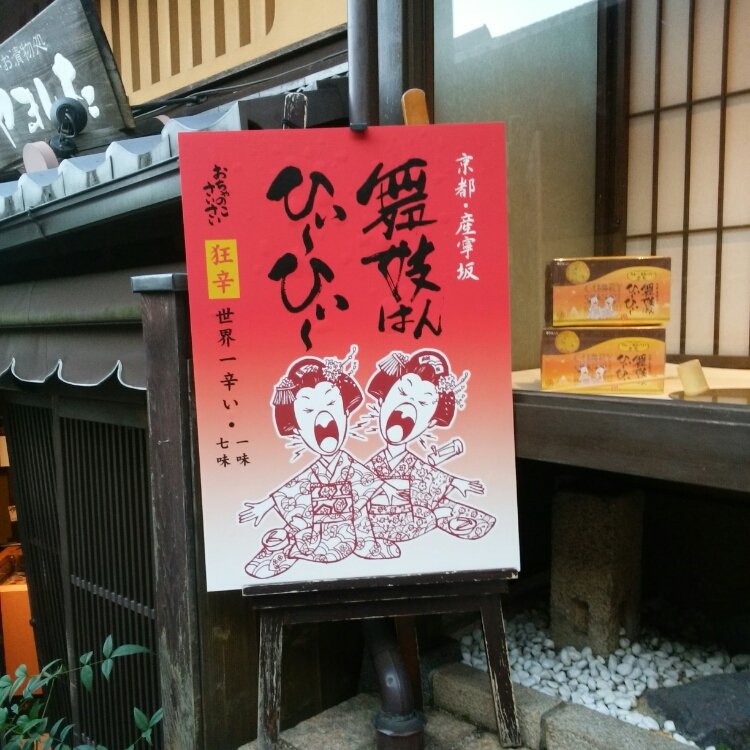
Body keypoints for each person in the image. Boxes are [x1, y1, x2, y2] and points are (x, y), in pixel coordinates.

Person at [239, 345, 400, 578]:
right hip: (317, 531)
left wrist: (387, 489)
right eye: (308, 410)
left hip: (349, 530)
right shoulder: (314, 472)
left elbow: (367, 481)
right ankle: (288, 545)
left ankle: (295, 546)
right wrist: (265, 505)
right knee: (305, 536)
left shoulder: (349, 464)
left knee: (350, 535)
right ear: (297, 428)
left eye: (331, 405)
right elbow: (293, 488)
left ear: (345, 413)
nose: (323, 419)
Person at [364, 349, 495, 543]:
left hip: (405, 519)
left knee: (452, 513)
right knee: (436, 511)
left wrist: (454, 482)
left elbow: (425, 475)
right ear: (382, 400)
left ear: (430, 422)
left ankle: (444, 516)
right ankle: (438, 516)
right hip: (373, 522)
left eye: (423, 402)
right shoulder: (373, 463)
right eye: (402, 392)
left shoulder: (413, 464)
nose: (408, 407)